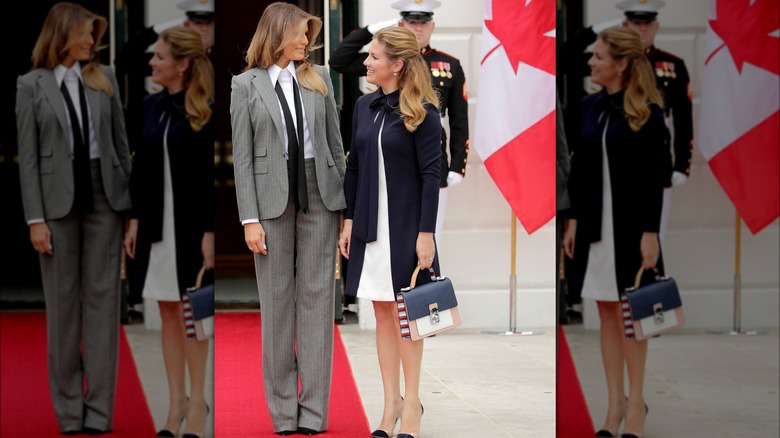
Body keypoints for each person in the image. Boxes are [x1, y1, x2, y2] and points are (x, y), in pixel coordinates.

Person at [229, 2, 346, 435]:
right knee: (277, 307)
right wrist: (249, 219)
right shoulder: (245, 85)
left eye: (308, 34)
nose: (306, 41)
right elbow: (242, 159)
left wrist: (347, 212)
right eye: (299, 34)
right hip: (269, 203)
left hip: (320, 196)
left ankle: (314, 414)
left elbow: (335, 147)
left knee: (317, 304)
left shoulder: (318, 80)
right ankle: (283, 414)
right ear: (277, 34)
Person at [16, 2, 132, 434]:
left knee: (103, 310)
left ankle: (99, 414)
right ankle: (69, 414)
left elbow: (121, 149)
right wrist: (34, 219)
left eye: (93, 34)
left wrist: (131, 211)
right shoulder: (30, 85)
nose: (91, 41)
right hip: (55, 208)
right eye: (85, 34)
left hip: (105, 202)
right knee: (63, 311)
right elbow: (28, 160)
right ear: (62, 35)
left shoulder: (102, 80)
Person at [563, 27, 671, 438]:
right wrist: (571, 220)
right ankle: (615, 406)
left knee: (632, 315)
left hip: (632, 228)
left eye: (599, 57)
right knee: (606, 311)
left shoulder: (648, 111)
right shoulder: (589, 107)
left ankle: (637, 405)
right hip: (593, 226)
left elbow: (656, 178)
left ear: (621, 65)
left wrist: (651, 232)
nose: (591, 63)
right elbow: (580, 170)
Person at [338, 26, 441, 438]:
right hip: (368, 225)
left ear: (396, 66)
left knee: (407, 316)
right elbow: (355, 166)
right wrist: (347, 221)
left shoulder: (424, 112)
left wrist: (426, 233)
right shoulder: (364, 106)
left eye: (374, 57)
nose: (366, 62)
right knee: (381, 312)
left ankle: (412, 405)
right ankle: (390, 405)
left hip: (406, 226)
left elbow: (431, 175)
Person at [122, 26, 214, 438]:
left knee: (192, 316)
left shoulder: (207, 109)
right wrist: (135, 220)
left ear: (183, 65)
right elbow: (141, 170)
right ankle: (175, 405)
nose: (152, 63)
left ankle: (198, 406)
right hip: (155, 226)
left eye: (159, 56)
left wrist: (212, 230)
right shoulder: (148, 105)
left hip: (193, 229)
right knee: (167, 313)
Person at [329, 0, 468, 245]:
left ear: (432, 26)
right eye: (412, 22)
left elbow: (459, 118)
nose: (418, 28)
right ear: (401, 23)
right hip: (391, 159)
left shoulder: (449, 65)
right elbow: (339, 59)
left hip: (431, 159)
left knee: (429, 237)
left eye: (423, 23)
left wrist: (457, 164)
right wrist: (373, 29)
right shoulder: (384, 62)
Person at [561, 0, 692, 250]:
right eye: (635, 22)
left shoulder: (671, 66)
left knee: (649, 241)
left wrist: (681, 165)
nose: (642, 29)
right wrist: (600, 28)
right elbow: (565, 57)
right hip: (605, 166)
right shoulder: (596, 93)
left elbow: (683, 118)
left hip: (650, 166)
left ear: (656, 26)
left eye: (647, 23)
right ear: (626, 23)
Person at [114, 0, 215, 321]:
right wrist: (172, 25)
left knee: (194, 313)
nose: (200, 27)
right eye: (194, 21)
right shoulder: (156, 103)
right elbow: (128, 58)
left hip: (194, 219)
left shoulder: (208, 92)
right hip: (160, 215)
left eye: (207, 22)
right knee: (170, 308)